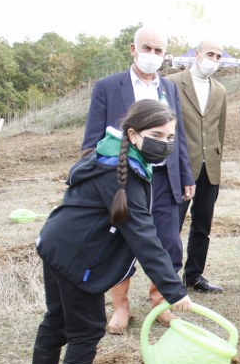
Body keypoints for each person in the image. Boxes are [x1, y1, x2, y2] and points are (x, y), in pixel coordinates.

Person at [28, 99, 193, 364]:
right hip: (77, 257)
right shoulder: (124, 176)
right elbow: (145, 238)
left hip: (57, 245)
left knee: (59, 318)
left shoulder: (109, 157)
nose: (165, 143)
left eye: (171, 137)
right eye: (157, 135)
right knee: (86, 329)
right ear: (133, 135)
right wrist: (174, 290)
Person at [81, 26, 195, 335]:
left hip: (163, 178)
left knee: (168, 241)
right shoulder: (108, 87)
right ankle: (120, 306)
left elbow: (179, 136)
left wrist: (186, 175)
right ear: (133, 49)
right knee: (120, 241)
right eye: (148, 48)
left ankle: (161, 303)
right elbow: (92, 139)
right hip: (123, 178)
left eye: (159, 51)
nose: (153, 56)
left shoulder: (170, 89)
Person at [169, 39, 227, 294]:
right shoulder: (172, 83)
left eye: (217, 56)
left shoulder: (220, 91)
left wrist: (215, 158)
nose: (212, 60)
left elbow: (220, 130)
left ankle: (194, 275)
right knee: (173, 225)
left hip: (209, 167)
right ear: (197, 54)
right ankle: (168, 278)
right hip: (182, 166)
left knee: (203, 225)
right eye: (209, 54)